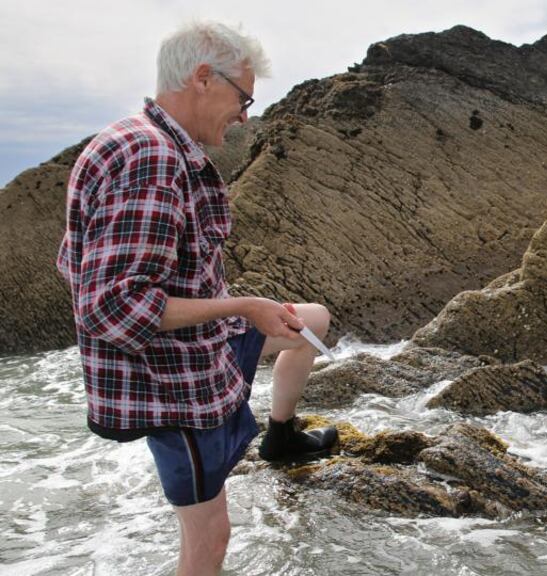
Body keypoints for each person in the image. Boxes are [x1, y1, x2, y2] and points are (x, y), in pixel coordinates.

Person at [57, 21, 337, 575]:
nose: (245, 115)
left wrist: (238, 311)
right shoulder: (150, 160)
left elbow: (73, 264)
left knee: (311, 321)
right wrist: (242, 307)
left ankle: (280, 438)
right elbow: (110, 305)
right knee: (209, 537)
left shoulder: (139, 141)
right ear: (204, 78)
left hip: (200, 351)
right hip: (170, 385)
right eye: (244, 97)